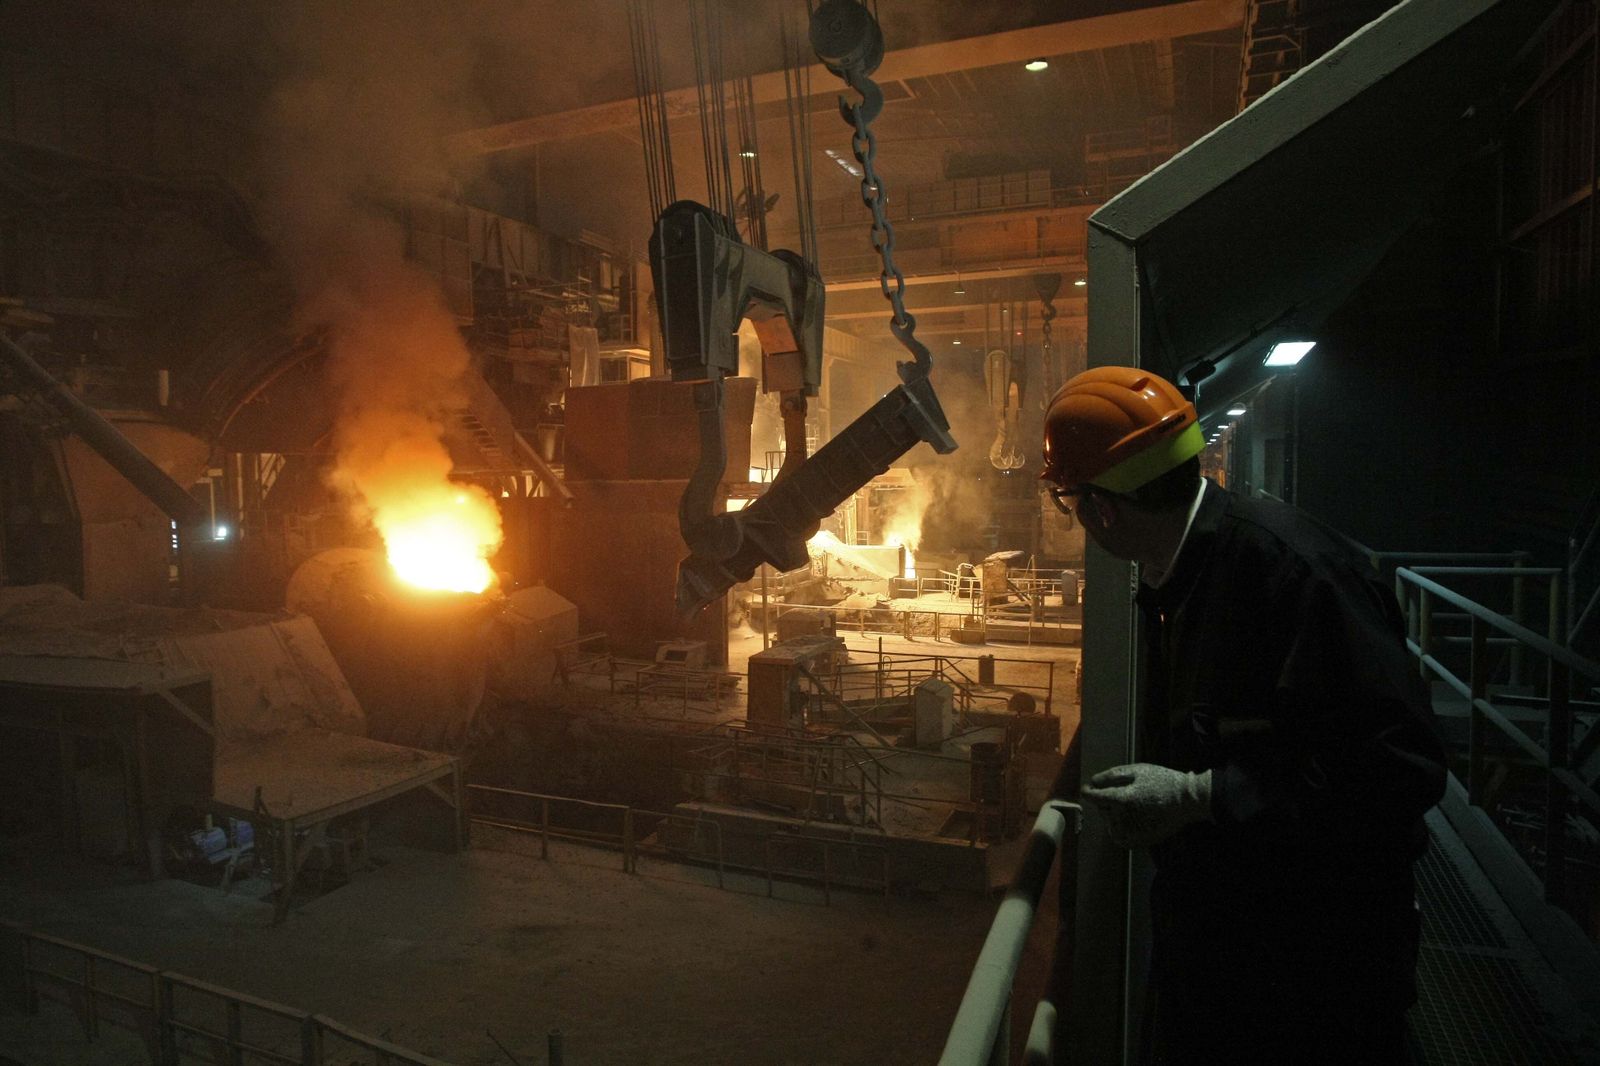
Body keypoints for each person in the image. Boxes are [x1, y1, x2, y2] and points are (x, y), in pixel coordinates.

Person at [1041, 366, 1447, 1064]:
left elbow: (1400, 769)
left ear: (1101, 510)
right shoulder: (1187, 575)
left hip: (1313, 982)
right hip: (1236, 955)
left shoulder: (1292, 577)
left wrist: (1203, 795)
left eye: (1067, 499)